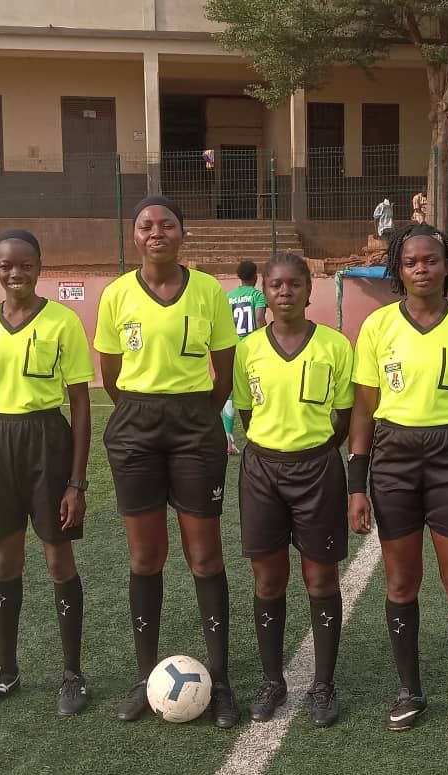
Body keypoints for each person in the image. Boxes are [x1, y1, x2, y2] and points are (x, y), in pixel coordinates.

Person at [347, 223, 448, 741]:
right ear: (397, 268)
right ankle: (410, 691)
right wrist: (356, 484)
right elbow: (364, 414)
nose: (421, 268)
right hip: (393, 460)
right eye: (411, 261)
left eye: (431, 260)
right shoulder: (375, 327)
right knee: (401, 582)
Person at [94, 195, 241, 728]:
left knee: (204, 556)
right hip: (134, 426)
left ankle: (221, 680)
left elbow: (222, 372)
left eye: (167, 224)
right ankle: (143, 676)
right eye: (146, 225)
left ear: (183, 234)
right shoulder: (115, 295)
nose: (156, 232)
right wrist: (143, 411)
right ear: (134, 235)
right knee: (144, 557)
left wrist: (193, 417)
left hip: (194, 426)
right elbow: (111, 377)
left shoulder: (208, 292)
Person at [0, 229, 94, 716]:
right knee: (5, 563)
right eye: (5, 265)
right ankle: (6, 672)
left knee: (59, 561)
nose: (16, 274)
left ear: (40, 265)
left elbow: (80, 403)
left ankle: (73, 674)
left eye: (25, 264)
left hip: (47, 444)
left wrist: (77, 481)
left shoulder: (63, 321)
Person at [233, 252, 353, 728]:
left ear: (309, 290)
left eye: (293, 285)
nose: (284, 292)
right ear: (264, 291)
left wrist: (316, 448)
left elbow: (344, 416)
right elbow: (247, 415)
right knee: (268, 580)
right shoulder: (247, 351)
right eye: (275, 285)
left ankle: (323, 684)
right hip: (262, 470)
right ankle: (272, 680)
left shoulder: (335, 347)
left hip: (318, 470)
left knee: (321, 580)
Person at [223, 260, 268, 454]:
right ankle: (261, 435)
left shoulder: (229, 296)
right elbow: (259, 320)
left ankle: (228, 440)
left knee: (232, 393)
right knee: (260, 387)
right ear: (256, 276)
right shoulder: (258, 295)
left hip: (234, 348)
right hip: (253, 348)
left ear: (239, 277)